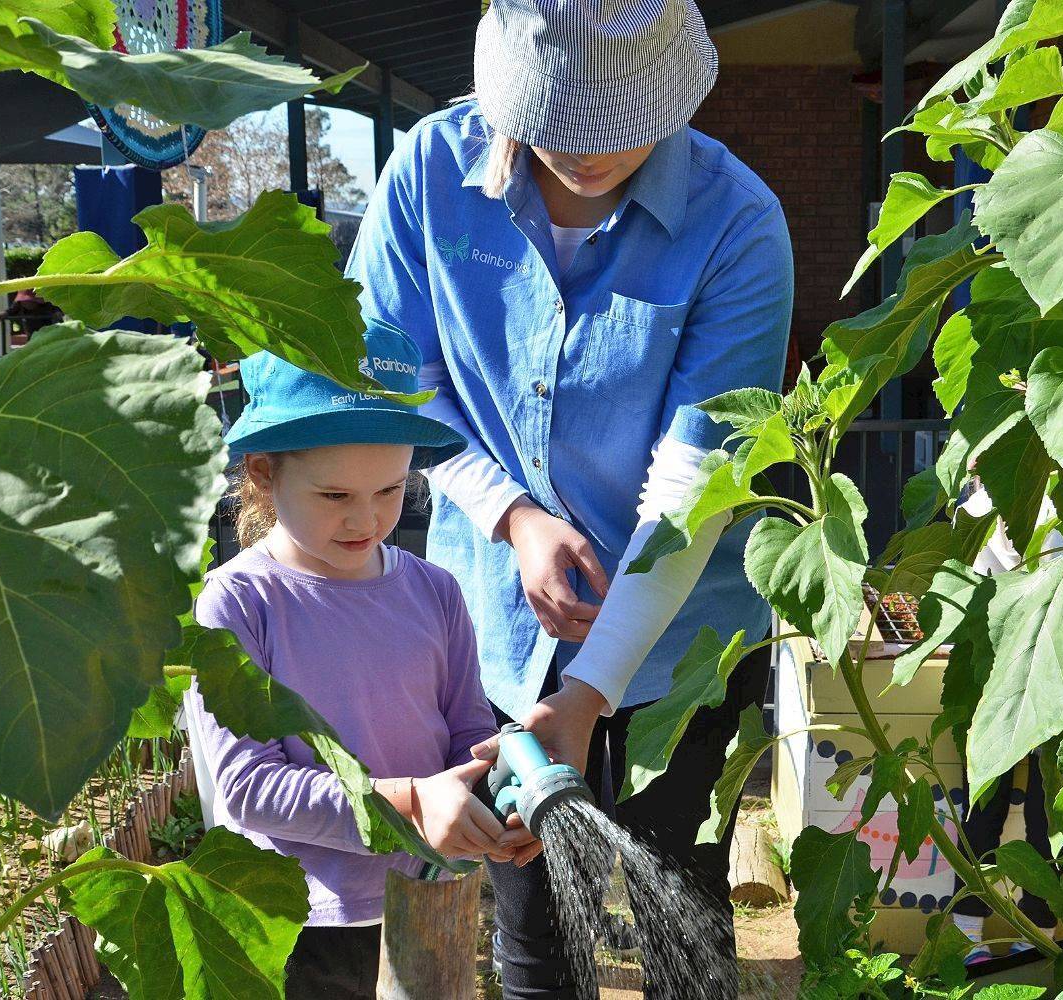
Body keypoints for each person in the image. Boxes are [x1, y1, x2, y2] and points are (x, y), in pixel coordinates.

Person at [346, 1, 794, 995]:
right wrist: (510, 513)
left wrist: (588, 695)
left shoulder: (737, 222)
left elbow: (694, 488)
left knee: (684, 908)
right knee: (534, 918)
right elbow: (392, 379)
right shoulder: (428, 177)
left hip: (681, 641)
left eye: (616, 129)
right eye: (555, 124)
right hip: (500, 632)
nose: (585, 157)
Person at [181, 321, 542, 1000]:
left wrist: (503, 791)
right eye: (336, 497)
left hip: (426, 898)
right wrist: (407, 804)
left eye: (390, 490)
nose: (367, 520)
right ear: (264, 471)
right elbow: (250, 788)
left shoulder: (434, 591)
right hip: (295, 919)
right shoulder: (239, 604)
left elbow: (466, 734)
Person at [951, 479, 1062, 964]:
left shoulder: (981, 504)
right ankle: (1030, 931)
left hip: (1001, 670)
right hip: (1032, 669)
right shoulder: (1048, 499)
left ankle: (974, 933)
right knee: (1040, 813)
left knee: (996, 809)